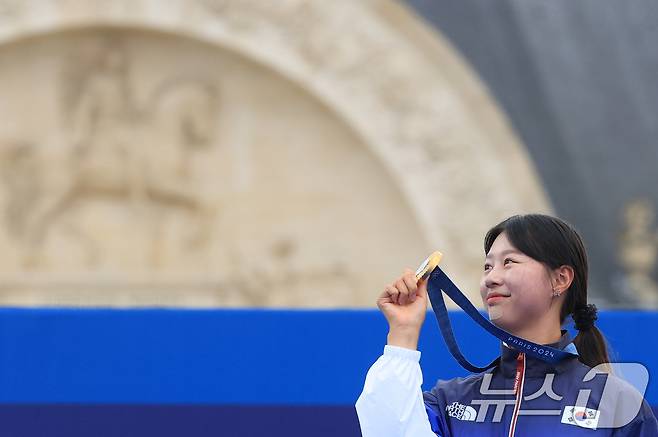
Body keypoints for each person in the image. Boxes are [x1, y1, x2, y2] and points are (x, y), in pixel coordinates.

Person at [355, 214, 658, 436]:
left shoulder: (617, 404)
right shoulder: (449, 402)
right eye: (487, 266)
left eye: (509, 262)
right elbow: (386, 429)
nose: (491, 278)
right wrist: (403, 333)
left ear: (560, 279)